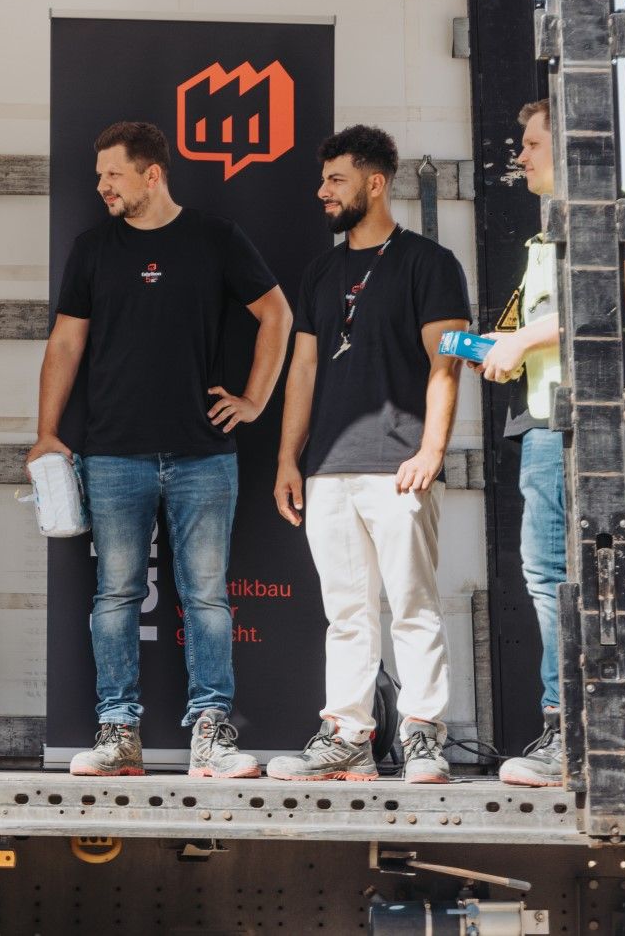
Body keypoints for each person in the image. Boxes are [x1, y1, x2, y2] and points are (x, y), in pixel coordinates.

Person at [31, 122, 293, 778]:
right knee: (115, 596)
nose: (102, 187)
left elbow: (278, 315)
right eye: (98, 178)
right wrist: (45, 430)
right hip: (112, 454)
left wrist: (255, 400)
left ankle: (212, 734)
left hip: (204, 454)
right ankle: (117, 733)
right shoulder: (93, 248)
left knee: (206, 596)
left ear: (152, 174)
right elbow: (65, 344)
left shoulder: (215, 239)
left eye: (112, 175)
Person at [267, 125, 470, 785]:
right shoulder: (320, 271)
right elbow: (301, 370)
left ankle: (423, 739)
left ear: (375, 183)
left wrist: (432, 450)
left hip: (399, 465)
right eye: (323, 180)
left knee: (412, 606)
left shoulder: (429, 263)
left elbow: (448, 362)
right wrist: (287, 460)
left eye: (336, 180)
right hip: (327, 468)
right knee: (346, 612)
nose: (321, 192)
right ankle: (348, 736)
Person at [479, 98, 625, 788]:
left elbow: (609, 300)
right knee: (553, 577)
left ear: (570, 147)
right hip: (548, 419)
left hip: (572, 424)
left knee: (556, 578)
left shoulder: (600, 212)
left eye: (533, 143)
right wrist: (509, 346)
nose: (521, 155)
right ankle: (570, 724)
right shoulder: (549, 235)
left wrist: (518, 339)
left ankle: (570, 728)